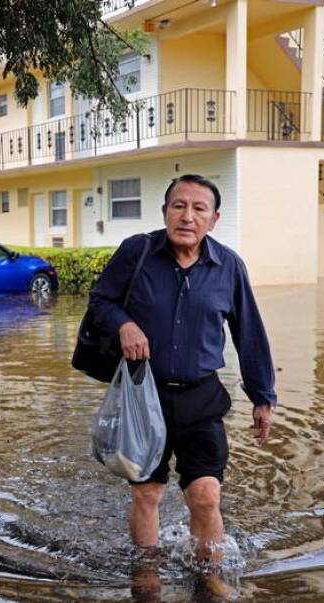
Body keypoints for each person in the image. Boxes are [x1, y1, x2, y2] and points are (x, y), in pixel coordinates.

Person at [88, 174, 277, 586]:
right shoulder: (136, 252)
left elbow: (249, 333)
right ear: (165, 212)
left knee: (206, 496)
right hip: (143, 398)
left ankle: (210, 580)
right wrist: (124, 324)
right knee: (147, 493)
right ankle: (147, 580)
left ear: (213, 219)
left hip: (201, 398)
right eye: (178, 206)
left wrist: (263, 397)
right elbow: (101, 301)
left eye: (198, 209)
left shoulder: (228, 267)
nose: (187, 216)